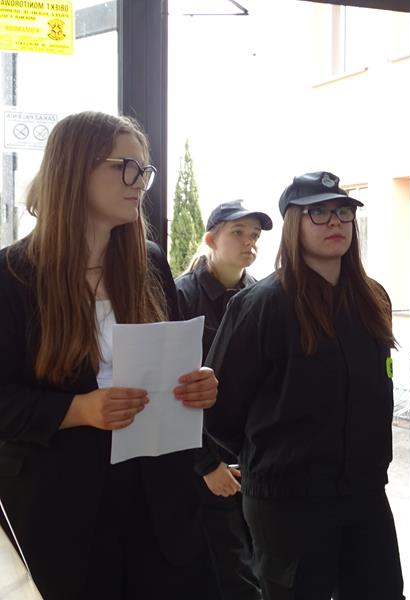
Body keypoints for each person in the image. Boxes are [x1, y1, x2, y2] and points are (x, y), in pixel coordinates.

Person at [0, 111, 220, 600]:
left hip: (157, 499)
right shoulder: (12, 276)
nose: (139, 181)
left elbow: (174, 362)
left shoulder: (149, 262)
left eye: (145, 170)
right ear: (73, 169)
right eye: (126, 166)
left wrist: (199, 383)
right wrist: (79, 410)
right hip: (62, 507)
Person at [205, 171, 404, 600]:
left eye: (343, 212)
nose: (335, 222)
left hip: (364, 493)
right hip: (289, 502)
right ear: (295, 223)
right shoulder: (262, 304)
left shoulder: (372, 299)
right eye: (319, 213)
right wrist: (274, 456)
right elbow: (219, 410)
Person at [175, 199, 272, 599]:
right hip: (201, 465)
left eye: (255, 235)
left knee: (258, 567)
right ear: (211, 240)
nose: (250, 242)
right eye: (238, 233)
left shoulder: (260, 296)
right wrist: (206, 464)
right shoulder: (181, 296)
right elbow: (172, 390)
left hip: (249, 464)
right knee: (229, 575)